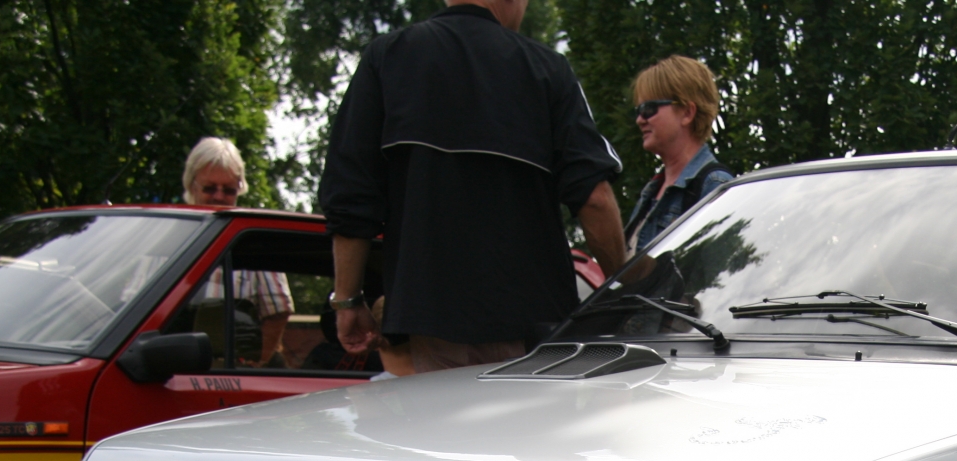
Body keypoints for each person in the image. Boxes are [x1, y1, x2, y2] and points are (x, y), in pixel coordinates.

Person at [318, 0, 627, 374]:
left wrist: (348, 300)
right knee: (530, 433)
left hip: (433, 319)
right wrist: (630, 290)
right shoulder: (547, 69)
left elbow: (350, 194)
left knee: (448, 431)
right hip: (535, 326)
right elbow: (593, 198)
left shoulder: (389, 57)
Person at [183, 137, 294, 365]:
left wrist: (254, 366)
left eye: (229, 190)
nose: (219, 196)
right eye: (210, 188)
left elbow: (279, 310)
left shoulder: (253, 241)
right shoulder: (172, 239)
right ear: (191, 185)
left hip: (230, 372)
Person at [624, 56, 735, 255]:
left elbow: (716, 280)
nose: (640, 120)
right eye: (638, 111)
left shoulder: (714, 185)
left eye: (649, 109)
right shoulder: (653, 189)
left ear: (687, 112)